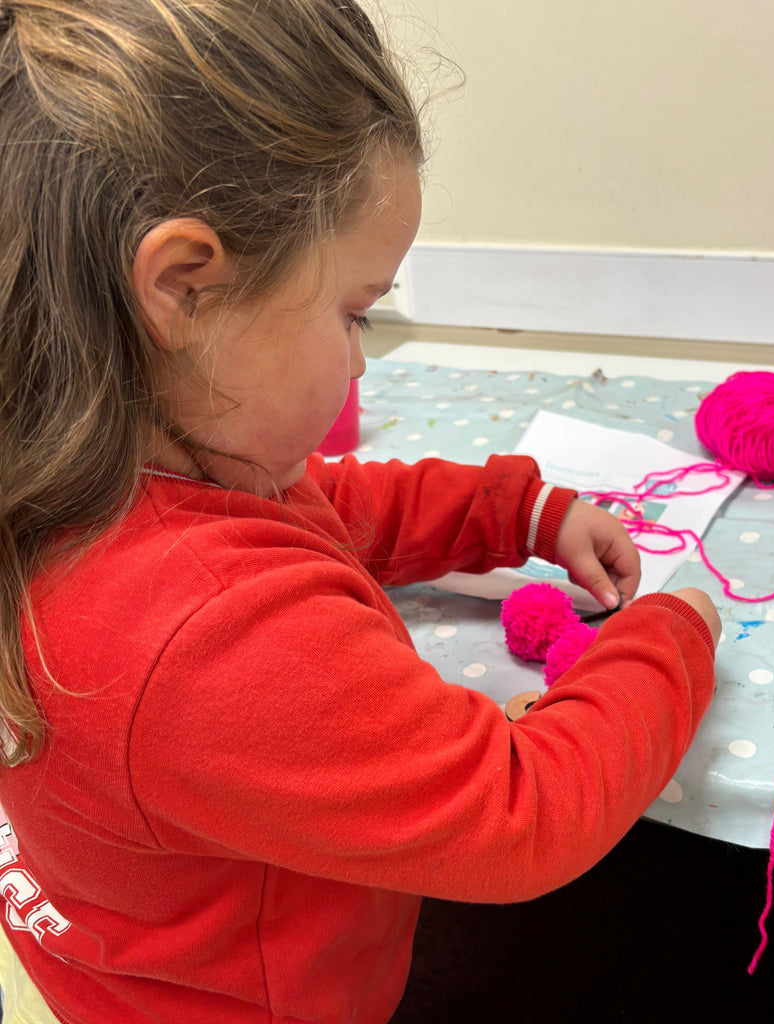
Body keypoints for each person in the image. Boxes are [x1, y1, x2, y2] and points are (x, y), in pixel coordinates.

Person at [0, 2, 721, 1021]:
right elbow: (523, 811)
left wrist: (521, 511)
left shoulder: (110, 464)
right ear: (182, 288)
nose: (358, 355)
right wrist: (674, 635)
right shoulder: (204, 637)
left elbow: (329, 508)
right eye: (355, 311)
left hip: (112, 951)